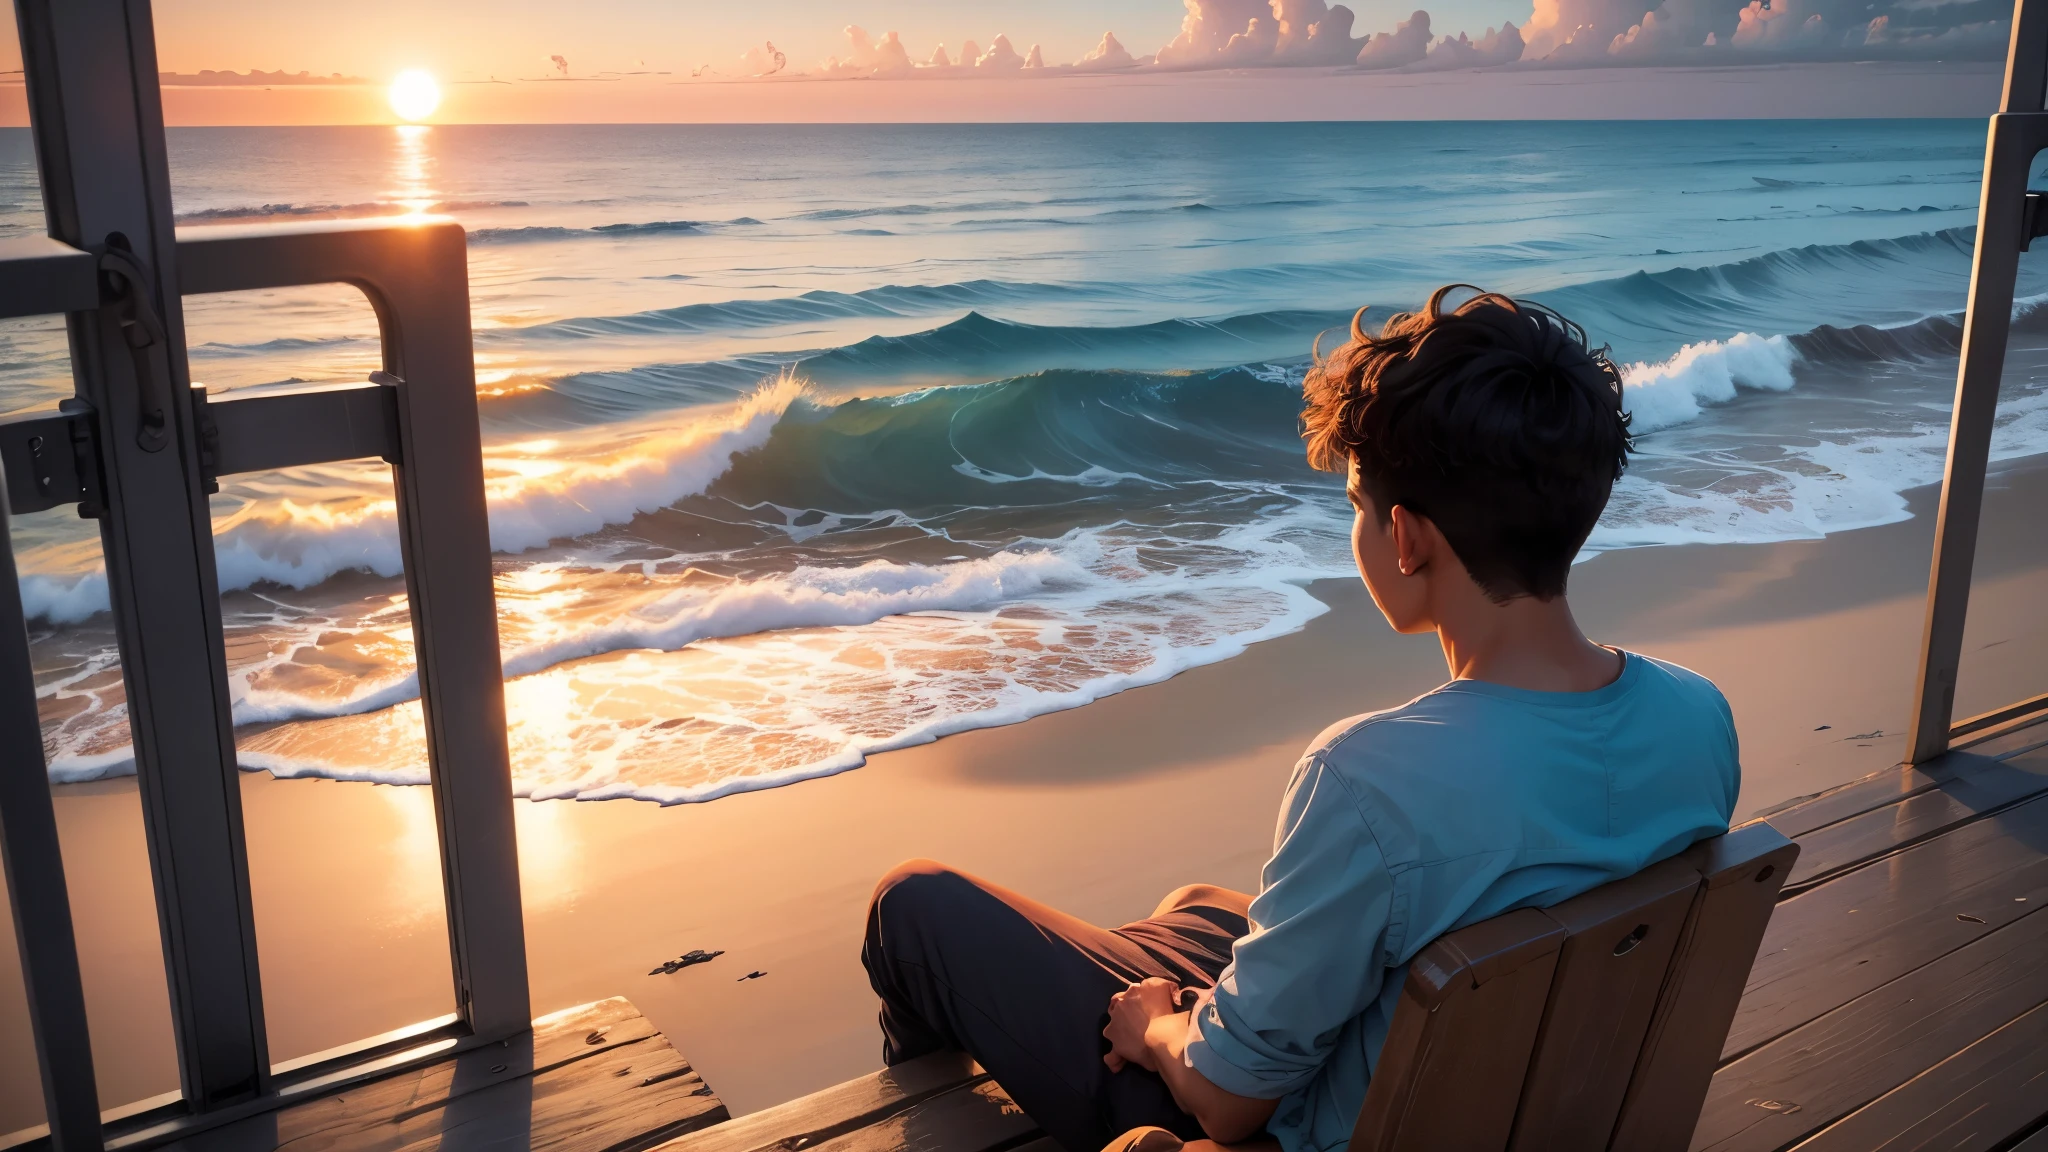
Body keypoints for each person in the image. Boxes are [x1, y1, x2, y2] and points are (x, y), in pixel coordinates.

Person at [860, 285, 1741, 1152]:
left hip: (1302, 1127)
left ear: (1407, 537)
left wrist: (1160, 1029)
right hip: (1520, 1081)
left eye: (1357, 507)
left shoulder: (1369, 779)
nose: (1357, 531)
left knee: (915, 904)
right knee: (1199, 907)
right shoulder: (1698, 712)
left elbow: (1227, 1103)